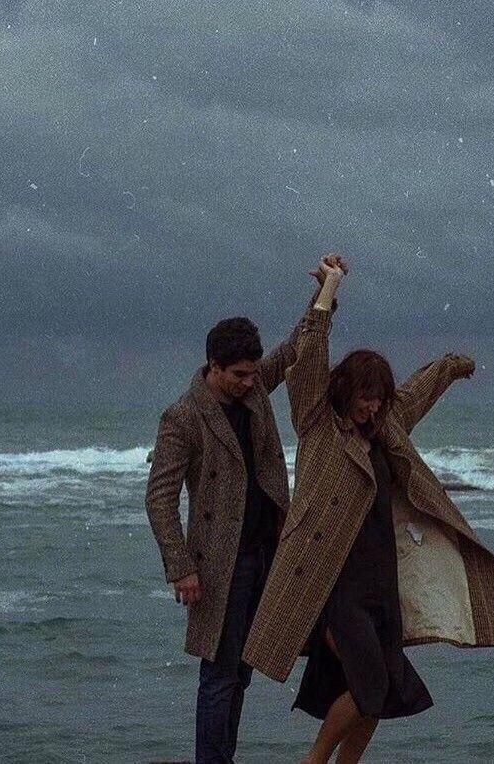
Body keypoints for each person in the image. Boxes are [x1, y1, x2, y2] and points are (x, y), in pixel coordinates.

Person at [243, 254, 494, 764]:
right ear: (345, 392)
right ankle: (313, 761)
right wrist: (329, 292)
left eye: (379, 400)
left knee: (388, 691)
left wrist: (452, 367)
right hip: (335, 582)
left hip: (382, 583)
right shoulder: (319, 424)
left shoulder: (387, 426)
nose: (372, 408)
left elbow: (415, 392)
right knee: (371, 686)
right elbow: (308, 357)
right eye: (365, 399)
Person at [144, 263, 336, 764]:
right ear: (213, 365)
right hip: (217, 564)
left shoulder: (254, 392)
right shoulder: (182, 416)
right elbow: (159, 497)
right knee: (219, 674)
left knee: (244, 671)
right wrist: (181, 566)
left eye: (254, 372)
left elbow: (296, 347)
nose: (251, 382)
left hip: (267, 551)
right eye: (239, 375)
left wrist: (326, 293)